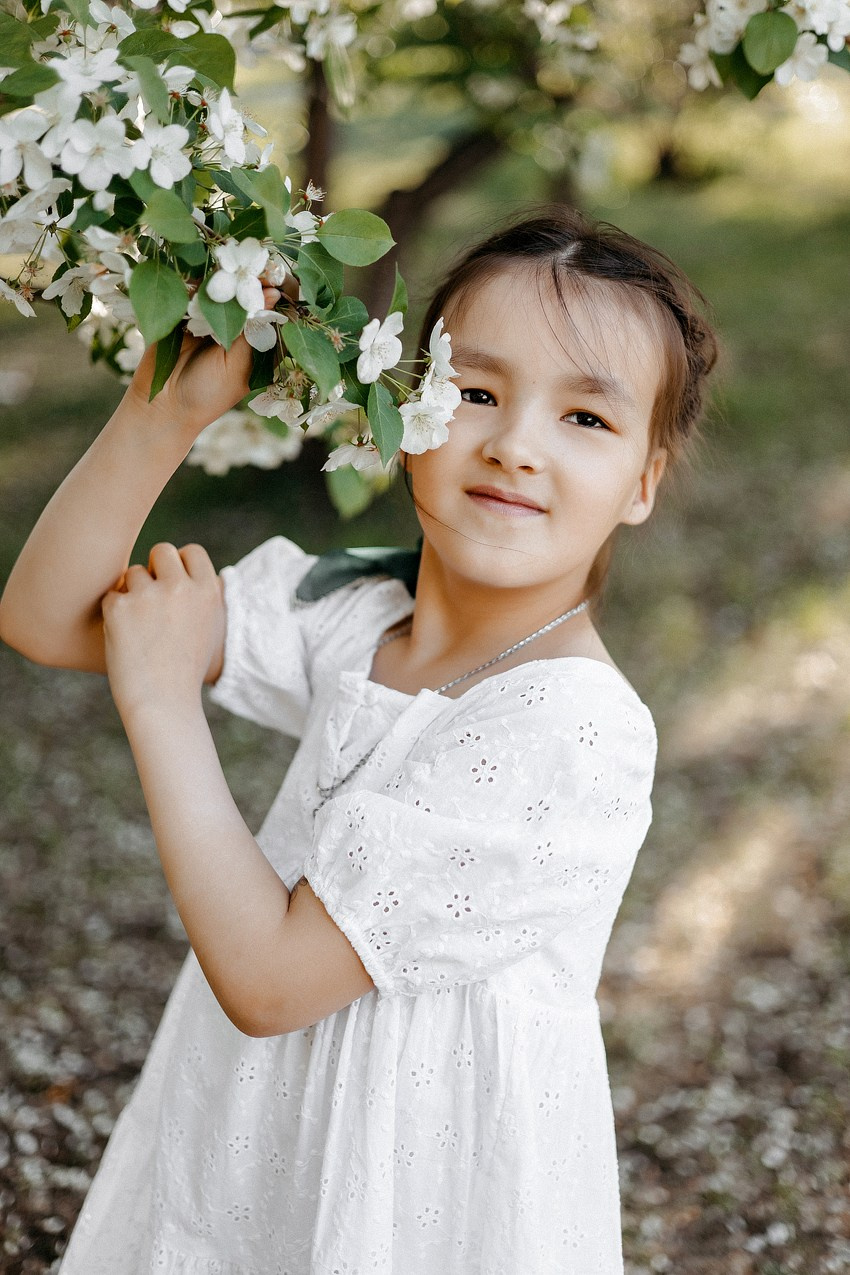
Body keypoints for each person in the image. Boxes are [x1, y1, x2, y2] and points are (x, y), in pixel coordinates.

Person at [0, 205, 718, 1274]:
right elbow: (46, 617)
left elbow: (273, 982)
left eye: (586, 419)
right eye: (474, 392)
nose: (514, 445)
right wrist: (164, 415)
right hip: (260, 1133)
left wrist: (161, 703)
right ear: (403, 405)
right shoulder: (356, 611)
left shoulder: (571, 732)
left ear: (644, 483)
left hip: (414, 1200)